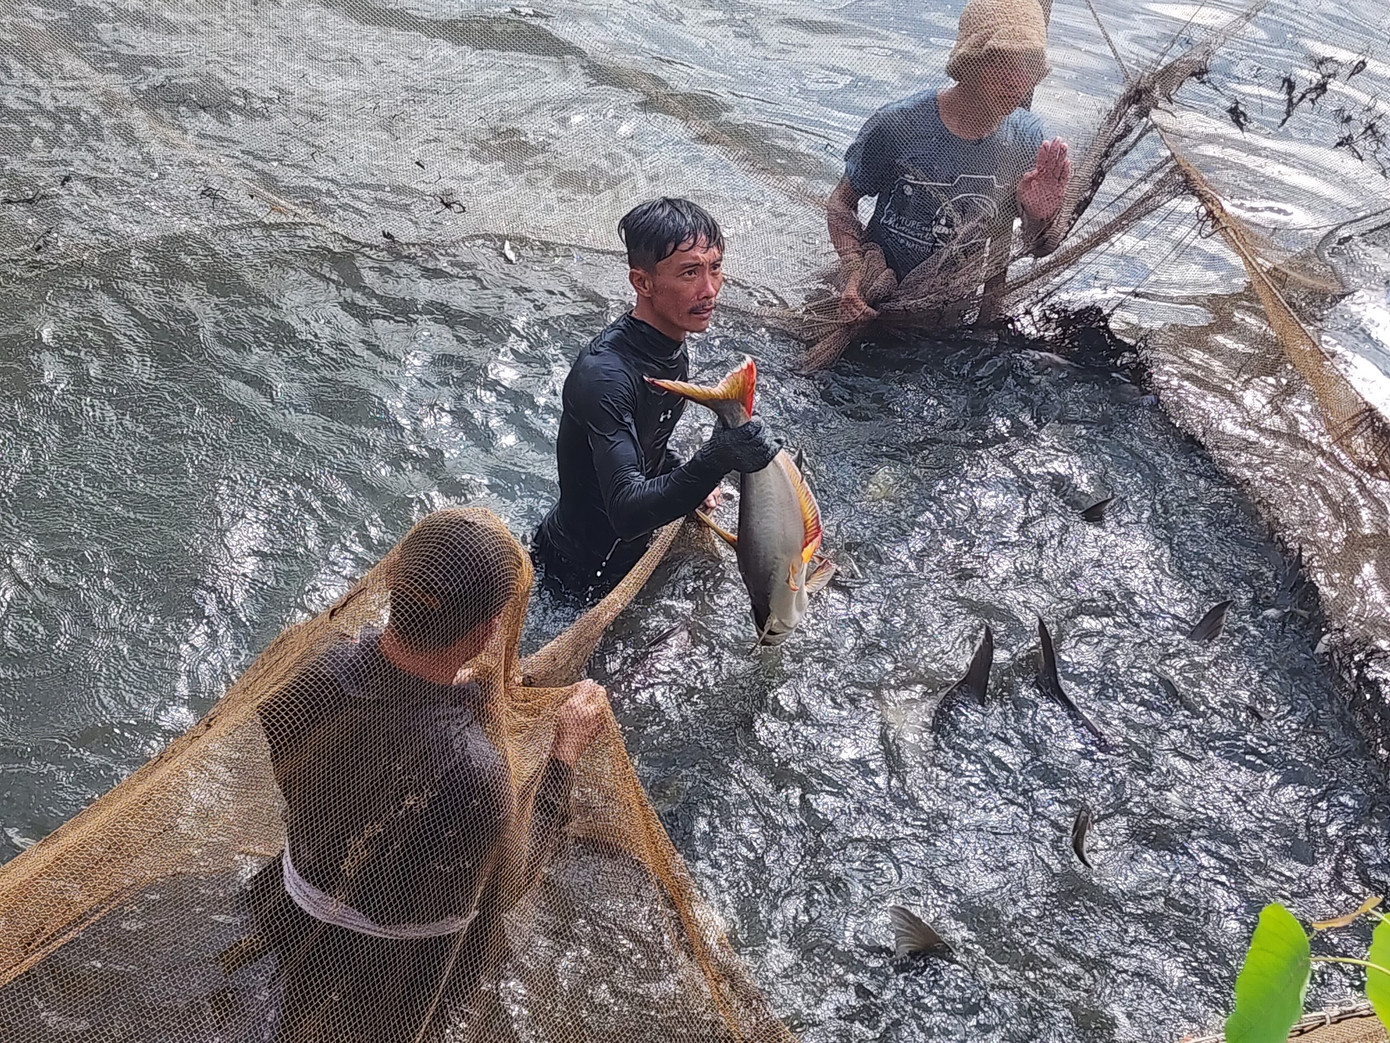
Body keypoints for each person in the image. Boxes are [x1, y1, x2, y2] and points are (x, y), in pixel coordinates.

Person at [245, 509, 609, 1043]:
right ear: (488, 632)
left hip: (289, 908)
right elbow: (508, 885)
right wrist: (563, 755)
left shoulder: (312, 678)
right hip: (392, 977)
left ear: (395, 581)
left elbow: (371, 721)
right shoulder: (476, 770)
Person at [532, 197, 781, 599]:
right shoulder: (605, 376)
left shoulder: (670, 346)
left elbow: (647, 444)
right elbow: (627, 513)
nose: (710, 290)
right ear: (642, 283)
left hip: (632, 557)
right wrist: (714, 459)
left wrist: (686, 472)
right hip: (572, 575)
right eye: (689, 273)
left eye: (714, 268)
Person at [826, 0, 1072, 324]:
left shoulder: (1026, 140)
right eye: (1003, 63)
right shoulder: (899, 126)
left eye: (1028, 65)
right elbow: (841, 203)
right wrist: (854, 270)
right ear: (971, 62)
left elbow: (1039, 248)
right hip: (875, 300)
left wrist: (1039, 216)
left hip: (951, 313)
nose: (1017, 81)